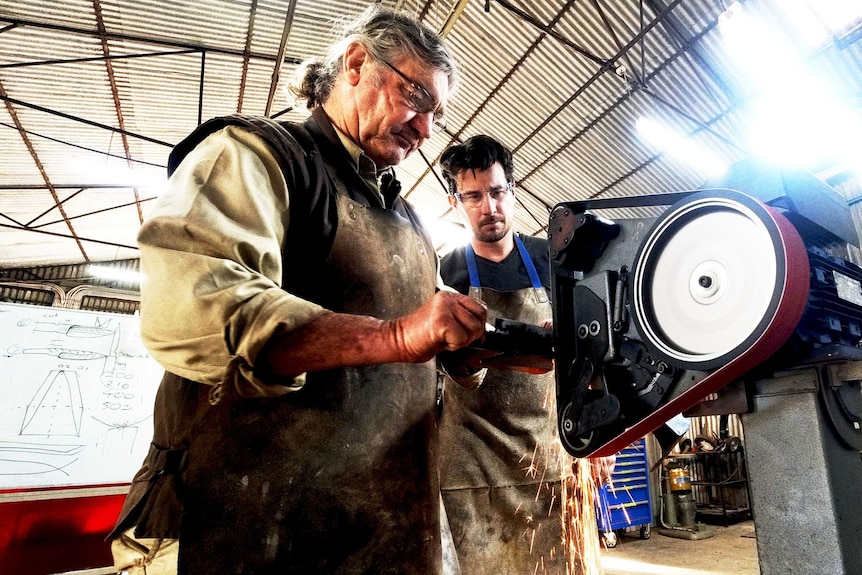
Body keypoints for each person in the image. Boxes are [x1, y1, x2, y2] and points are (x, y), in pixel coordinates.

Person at [108, 6, 488, 575]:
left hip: (378, 532)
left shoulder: (407, 218)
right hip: (241, 525)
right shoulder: (258, 157)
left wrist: (475, 347)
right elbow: (200, 306)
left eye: (437, 113)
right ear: (357, 62)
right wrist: (393, 335)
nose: (427, 129)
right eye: (417, 98)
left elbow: (423, 341)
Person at [437, 135, 612, 575]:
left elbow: (596, 345)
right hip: (471, 460)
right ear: (456, 202)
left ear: (511, 190)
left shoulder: (552, 259)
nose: (488, 207)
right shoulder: (443, 272)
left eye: (497, 192)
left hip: (549, 451)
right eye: (473, 196)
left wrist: (603, 434)